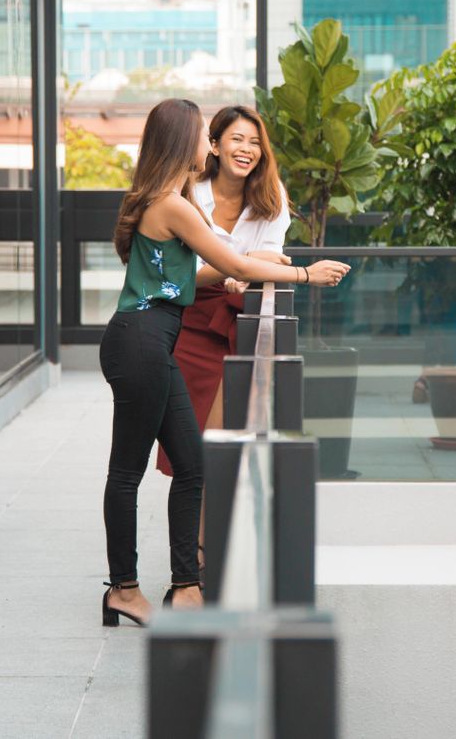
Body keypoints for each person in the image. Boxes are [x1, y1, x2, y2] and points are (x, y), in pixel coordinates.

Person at [100, 98, 349, 628]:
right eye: (200, 134)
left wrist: (260, 264)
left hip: (148, 340)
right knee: (128, 471)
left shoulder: (169, 201)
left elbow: (197, 276)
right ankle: (123, 589)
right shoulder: (175, 204)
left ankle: (186, 588)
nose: (207, 144)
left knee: (192, 466)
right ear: (184, 142)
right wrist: (307, 274)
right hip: (141, 342)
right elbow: (231, 261)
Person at [154, 106, 290, 576]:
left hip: (240, 326)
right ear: (213, 145)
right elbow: (186, 272)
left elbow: (270, 256)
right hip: (190, 325)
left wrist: (247, 267)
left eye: (254, 142)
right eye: (236, 139)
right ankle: (189, 556)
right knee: (189, 447)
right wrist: (239, 266)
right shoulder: (189, 196)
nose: (246, 150)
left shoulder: (271, 197)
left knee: (224, 443)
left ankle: (205, 551)